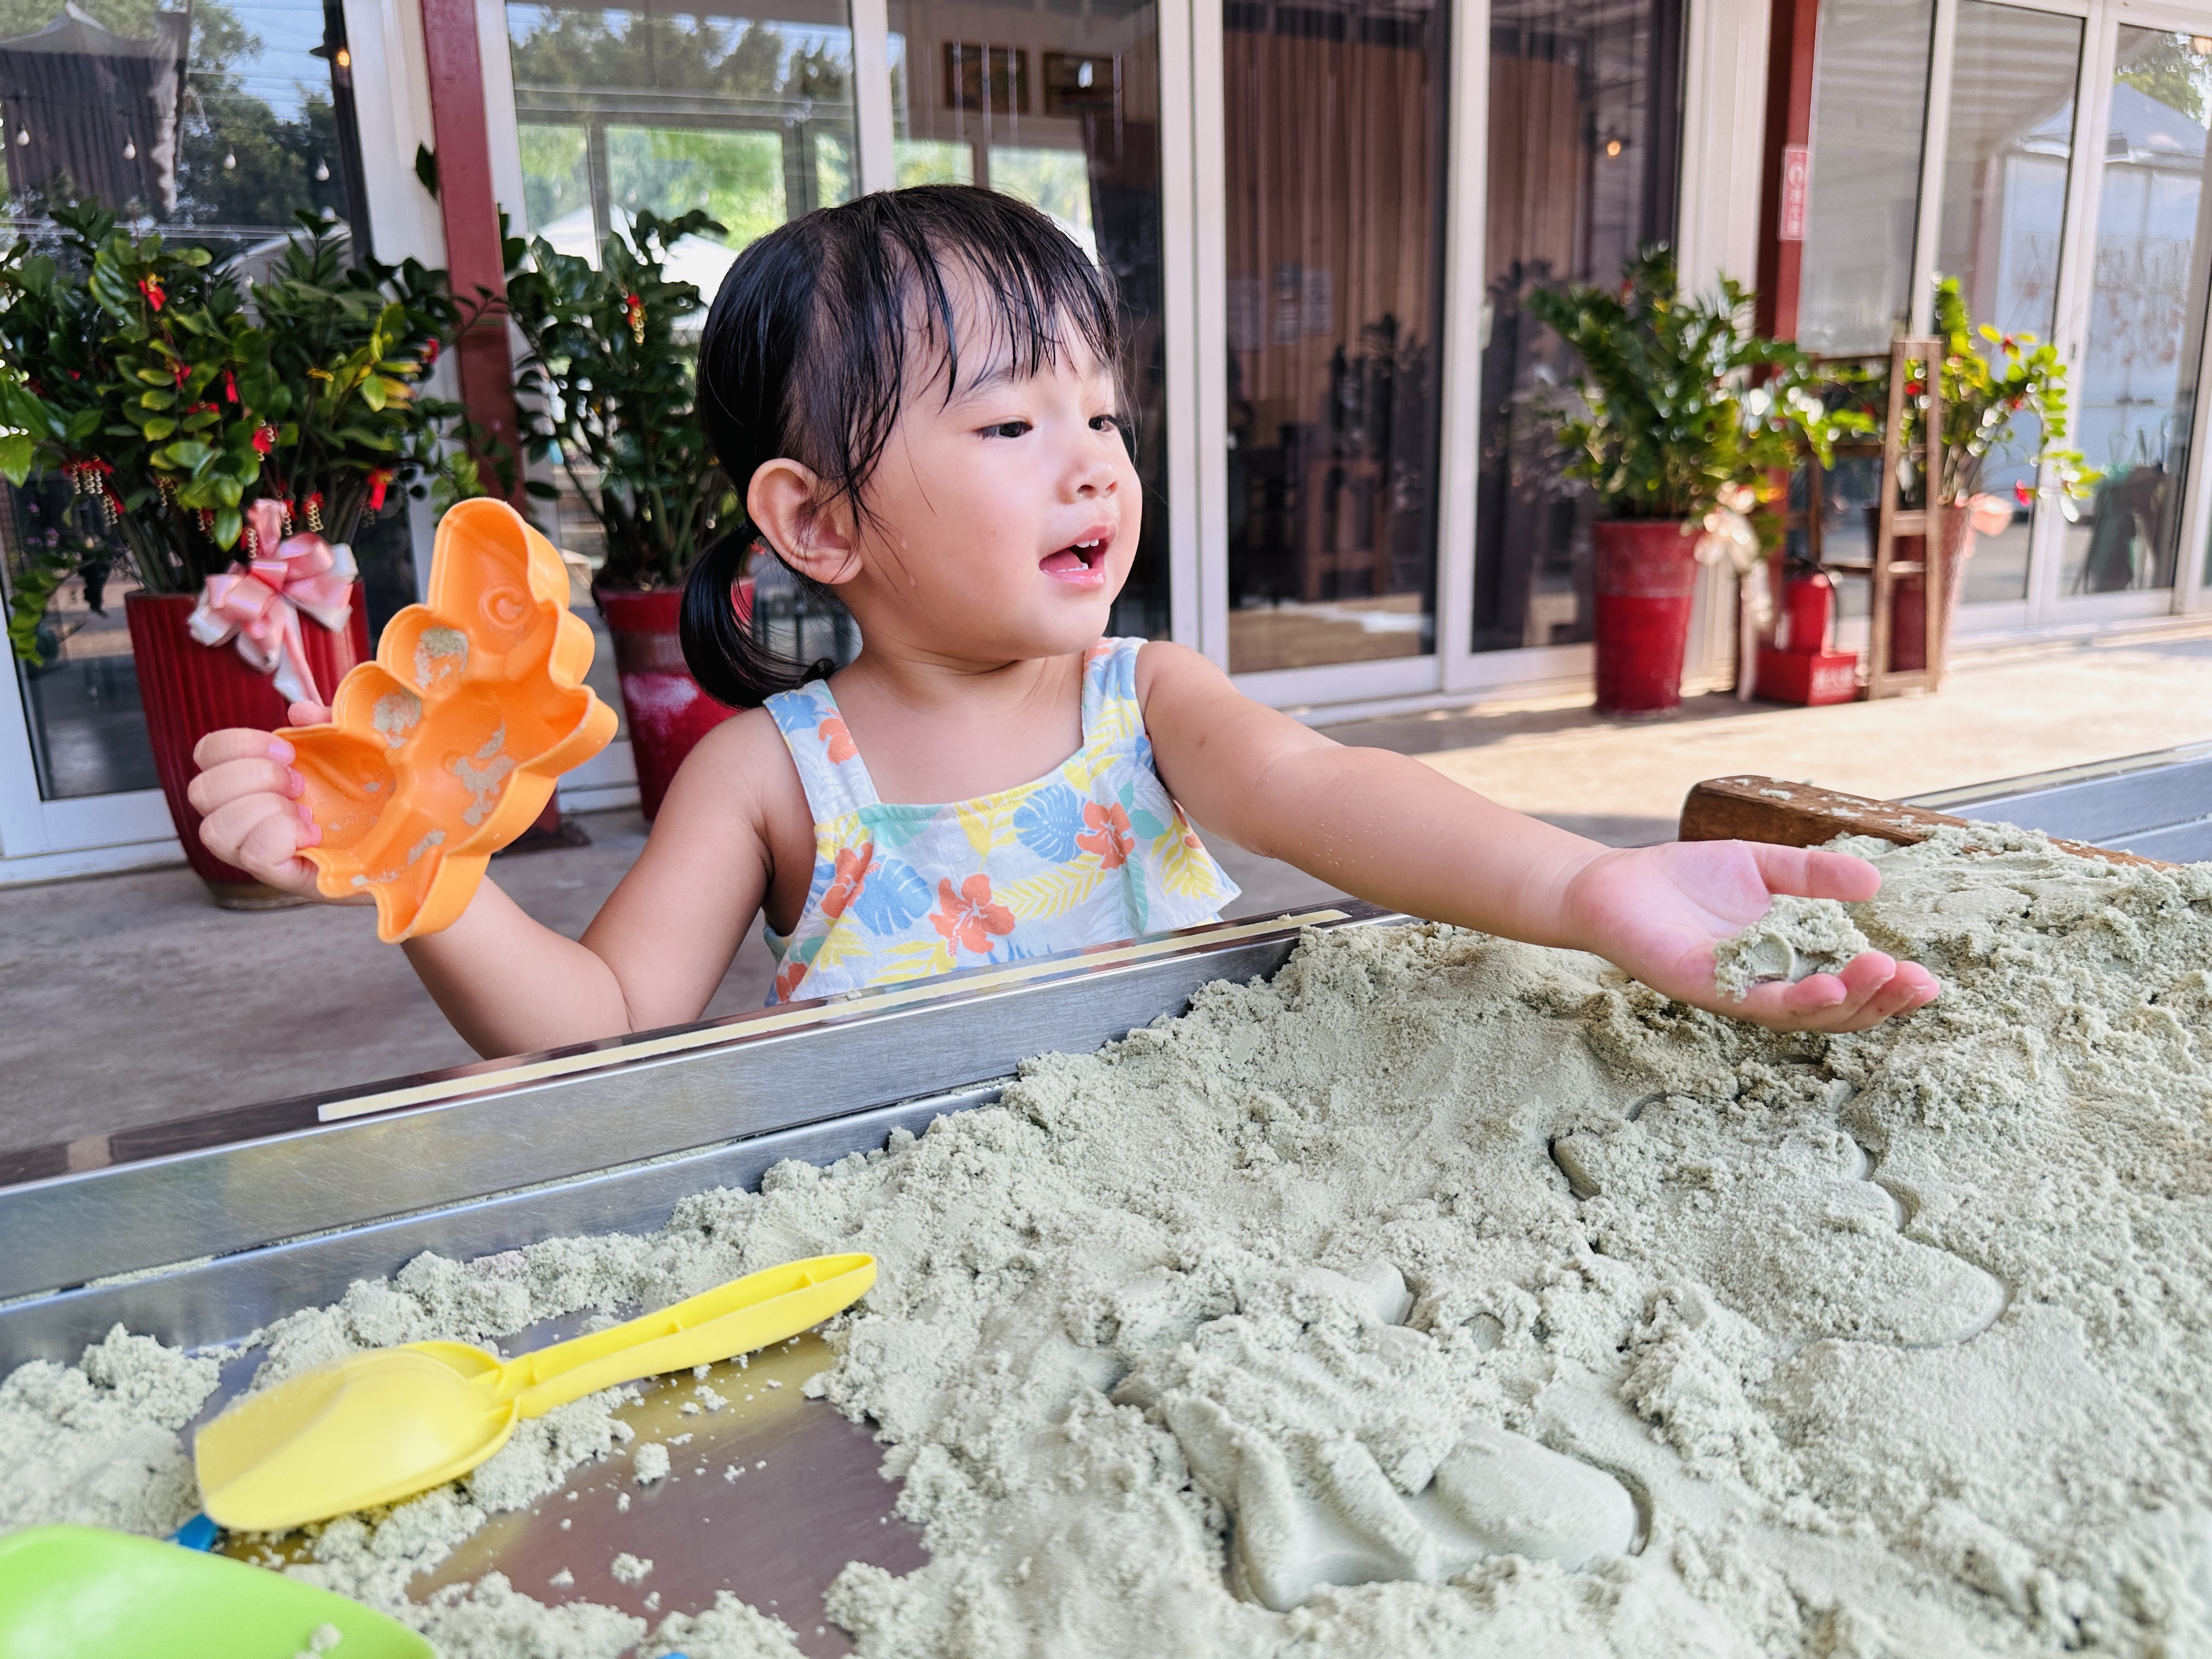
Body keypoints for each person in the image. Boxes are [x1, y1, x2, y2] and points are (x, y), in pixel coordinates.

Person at [187, 185, 1938, 1059]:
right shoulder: (769, 776)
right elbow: (594, 1024)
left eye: (1102, 417)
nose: (1091, 466)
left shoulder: (1149, 703)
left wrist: (1581, 885)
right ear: (816, 520)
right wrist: (420, 869)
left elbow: (1336, 801)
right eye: (1012, 426)